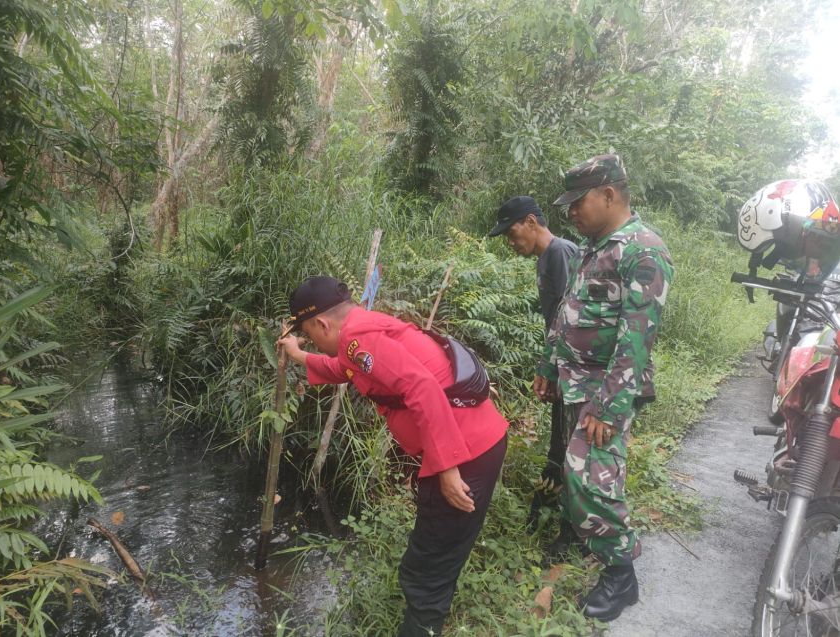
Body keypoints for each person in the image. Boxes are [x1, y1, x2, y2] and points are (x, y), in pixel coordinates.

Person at [277, 276, 509, 637]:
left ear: (322, 323)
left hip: (463, 454)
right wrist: (300, 355)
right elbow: (348, 369)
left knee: (426, 569)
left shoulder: (357, 340)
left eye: (310, 332)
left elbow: (422, 387)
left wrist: (447, 468)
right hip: (475, 441)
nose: (315, 338)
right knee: (435, 556)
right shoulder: (364, 329)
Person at [541, 154, 674, 622]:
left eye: (578, 202)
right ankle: (585, 542)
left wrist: (607, 407)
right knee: (584, 473)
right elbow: (567, 310)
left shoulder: (643, 250)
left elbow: (635, 340)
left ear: (609, 195)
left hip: (605, 390)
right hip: (577, 382)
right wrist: (549, 363)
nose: (571, 212)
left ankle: (621, 576)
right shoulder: (592, 245)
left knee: (588, 475)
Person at [487, 196, 577, 529]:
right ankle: (554, 516)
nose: (511, 243)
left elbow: (570, 318)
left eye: (512, 234)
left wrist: (551, 369)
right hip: (562, 367)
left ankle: (569, 527)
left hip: (575, 370)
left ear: (530, 222)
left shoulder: (559, 253)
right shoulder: (546, 258)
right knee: (559, 443)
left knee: (568, 446)